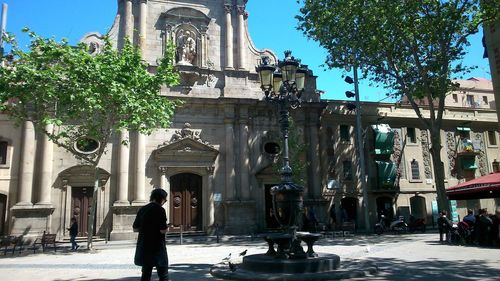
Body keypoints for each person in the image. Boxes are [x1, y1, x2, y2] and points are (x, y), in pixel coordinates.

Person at [133, 188, 169, 281]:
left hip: (145, 247)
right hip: (158, 248)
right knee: (163, 275)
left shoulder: (142, 209)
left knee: (145, 275)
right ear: (161, 199)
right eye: (165, 199)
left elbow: (135, 228)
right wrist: (167, 228)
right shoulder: (160, 210)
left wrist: (146, 228)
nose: (165, 201)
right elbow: (162, 230)